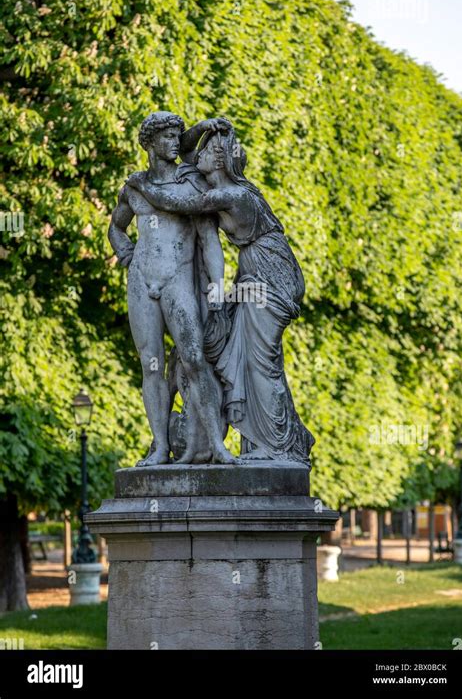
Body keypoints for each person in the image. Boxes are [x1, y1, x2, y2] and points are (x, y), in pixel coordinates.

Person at [127, 125, 314, 465]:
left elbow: (174, 200)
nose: (197, 154)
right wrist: (204, 127)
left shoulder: (228, 195)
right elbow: (178, 153)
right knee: (238, 352)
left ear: (223, 162)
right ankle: (261, 443)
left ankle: (276, 446)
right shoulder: (215, 183)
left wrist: (141, 184)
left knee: (261, 359)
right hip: (253, 272)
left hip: (270, 274)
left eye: (210, 151)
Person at [109, 111, 235, 465]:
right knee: (151, 367)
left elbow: (210, 240)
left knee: (195, 360)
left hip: (177, 280)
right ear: (149, 143)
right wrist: (126, 254)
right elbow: (116, 227)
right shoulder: (134, 187)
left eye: (178, 136)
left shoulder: (191, 183)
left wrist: (217, 286)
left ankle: (217, 445)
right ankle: (161, 446)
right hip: (141, 281)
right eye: (166, 137)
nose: (174, 143)